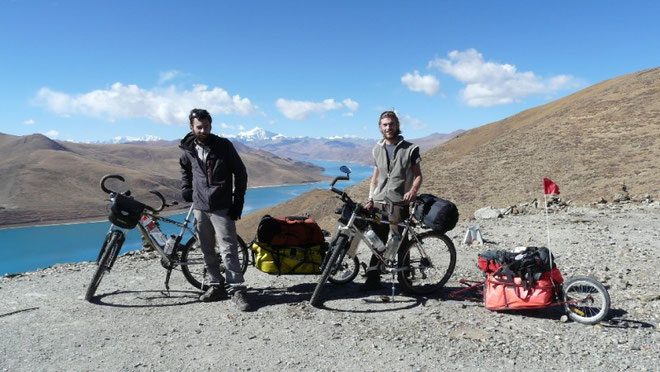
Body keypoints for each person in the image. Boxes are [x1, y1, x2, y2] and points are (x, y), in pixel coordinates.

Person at [179, 108, 251, 311]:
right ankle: (216, 285)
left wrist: (238, 201)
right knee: (206, 248)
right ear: (191, 127)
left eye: (207, 126)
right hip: (200, 206)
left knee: (228, 248)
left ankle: (237, 289)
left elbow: (241, 172)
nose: (203, 130)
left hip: (222, 206)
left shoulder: (223, 146)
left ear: (211, 125)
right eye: (199, 127)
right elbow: (185, 169)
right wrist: (186, 188)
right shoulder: (188, 148)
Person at [362, 110, 423, 290]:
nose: (388, 127)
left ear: (397, 125)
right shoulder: (377, 149)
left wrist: (413, 190)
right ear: (380, 127)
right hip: (380, 201)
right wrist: (370, 198)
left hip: (399, 201)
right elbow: (375, 177)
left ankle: (405, 282)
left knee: (400, 240)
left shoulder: (410, 149)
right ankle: (373, 279)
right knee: (377, 240)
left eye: (391, 124)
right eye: (385, 125)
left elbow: (418, 175)